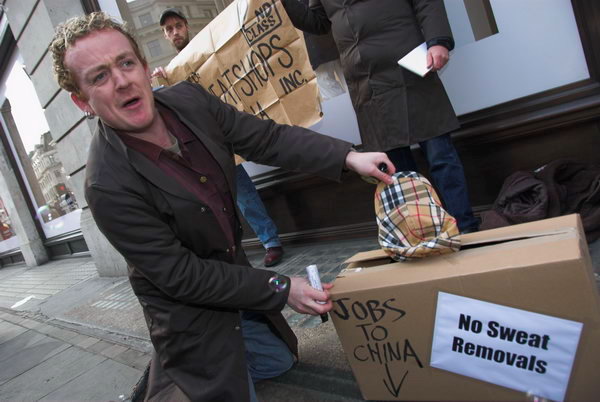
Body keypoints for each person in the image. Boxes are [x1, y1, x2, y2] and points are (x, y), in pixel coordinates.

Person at [49, 12, 393, 401]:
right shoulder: (105, 185)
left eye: (126, 63)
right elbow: (181, 275)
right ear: (83, 102)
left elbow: (266, 138)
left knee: (279, 363)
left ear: (145, 68)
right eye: (99, 76)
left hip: (234, 281)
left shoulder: (190, 101)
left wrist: (348, 158)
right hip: (186, 307)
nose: (122, 81)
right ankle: (171, 374)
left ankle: (202, 360)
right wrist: (280, 287)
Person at [281, 0, 480, 233]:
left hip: (408, 69)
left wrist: (438, 40)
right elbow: (317, 22)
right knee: (396, 173)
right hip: (366, 82)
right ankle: (421, 234)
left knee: (440, 157)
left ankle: (465, 226)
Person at [154, 8, 285, 267]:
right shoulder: (169, 73)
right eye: (169, 29)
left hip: (232, 126)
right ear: (165, 36)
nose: (175, 32)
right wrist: (162, 83)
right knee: (229, 197)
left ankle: (269, 242)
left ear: (187, 26)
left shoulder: (208, 49)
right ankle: (252, 249)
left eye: (178, 25)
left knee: (251, 185)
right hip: (207, 142)